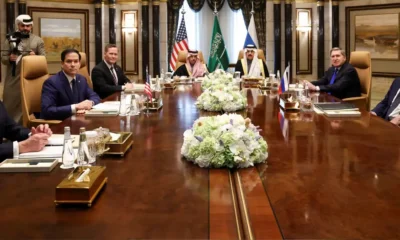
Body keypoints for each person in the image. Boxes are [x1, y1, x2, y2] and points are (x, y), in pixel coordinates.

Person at [1, 14, 45, 123]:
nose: (25, 28)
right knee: (10, 102)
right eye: (23, 25)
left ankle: (25, 129)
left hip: (31, 79)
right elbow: (3, 58)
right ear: (18, 25)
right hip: (13, 78)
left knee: (28, 104)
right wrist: (10, 58)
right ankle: (9, 129)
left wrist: (35, 57)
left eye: (28, 26)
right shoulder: (10, 40)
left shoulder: (38, 40)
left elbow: (43, 59)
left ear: (31, 27)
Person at [41, 49, 101, 121]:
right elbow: (47, 110)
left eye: (76, 61)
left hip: (80, 120)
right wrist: (76, 107)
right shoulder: (52, 82)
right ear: (62, 64)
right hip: (62, 123)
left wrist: (90, 103)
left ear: (79, 64)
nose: (73, 65)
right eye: (69, 61)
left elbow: (95, 96)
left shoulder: (81, 79)